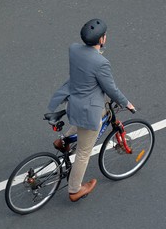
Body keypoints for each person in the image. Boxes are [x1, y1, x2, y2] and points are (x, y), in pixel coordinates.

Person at [48, 19, 135, 202]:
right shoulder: (101, 63)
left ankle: (63, 141)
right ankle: (75, 190)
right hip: (88, 110)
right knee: (83, 153)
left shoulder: (74, 49)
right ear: (102, 39)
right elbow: (111, 89)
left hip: (74, 103)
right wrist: (126, 103)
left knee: (96, 116)